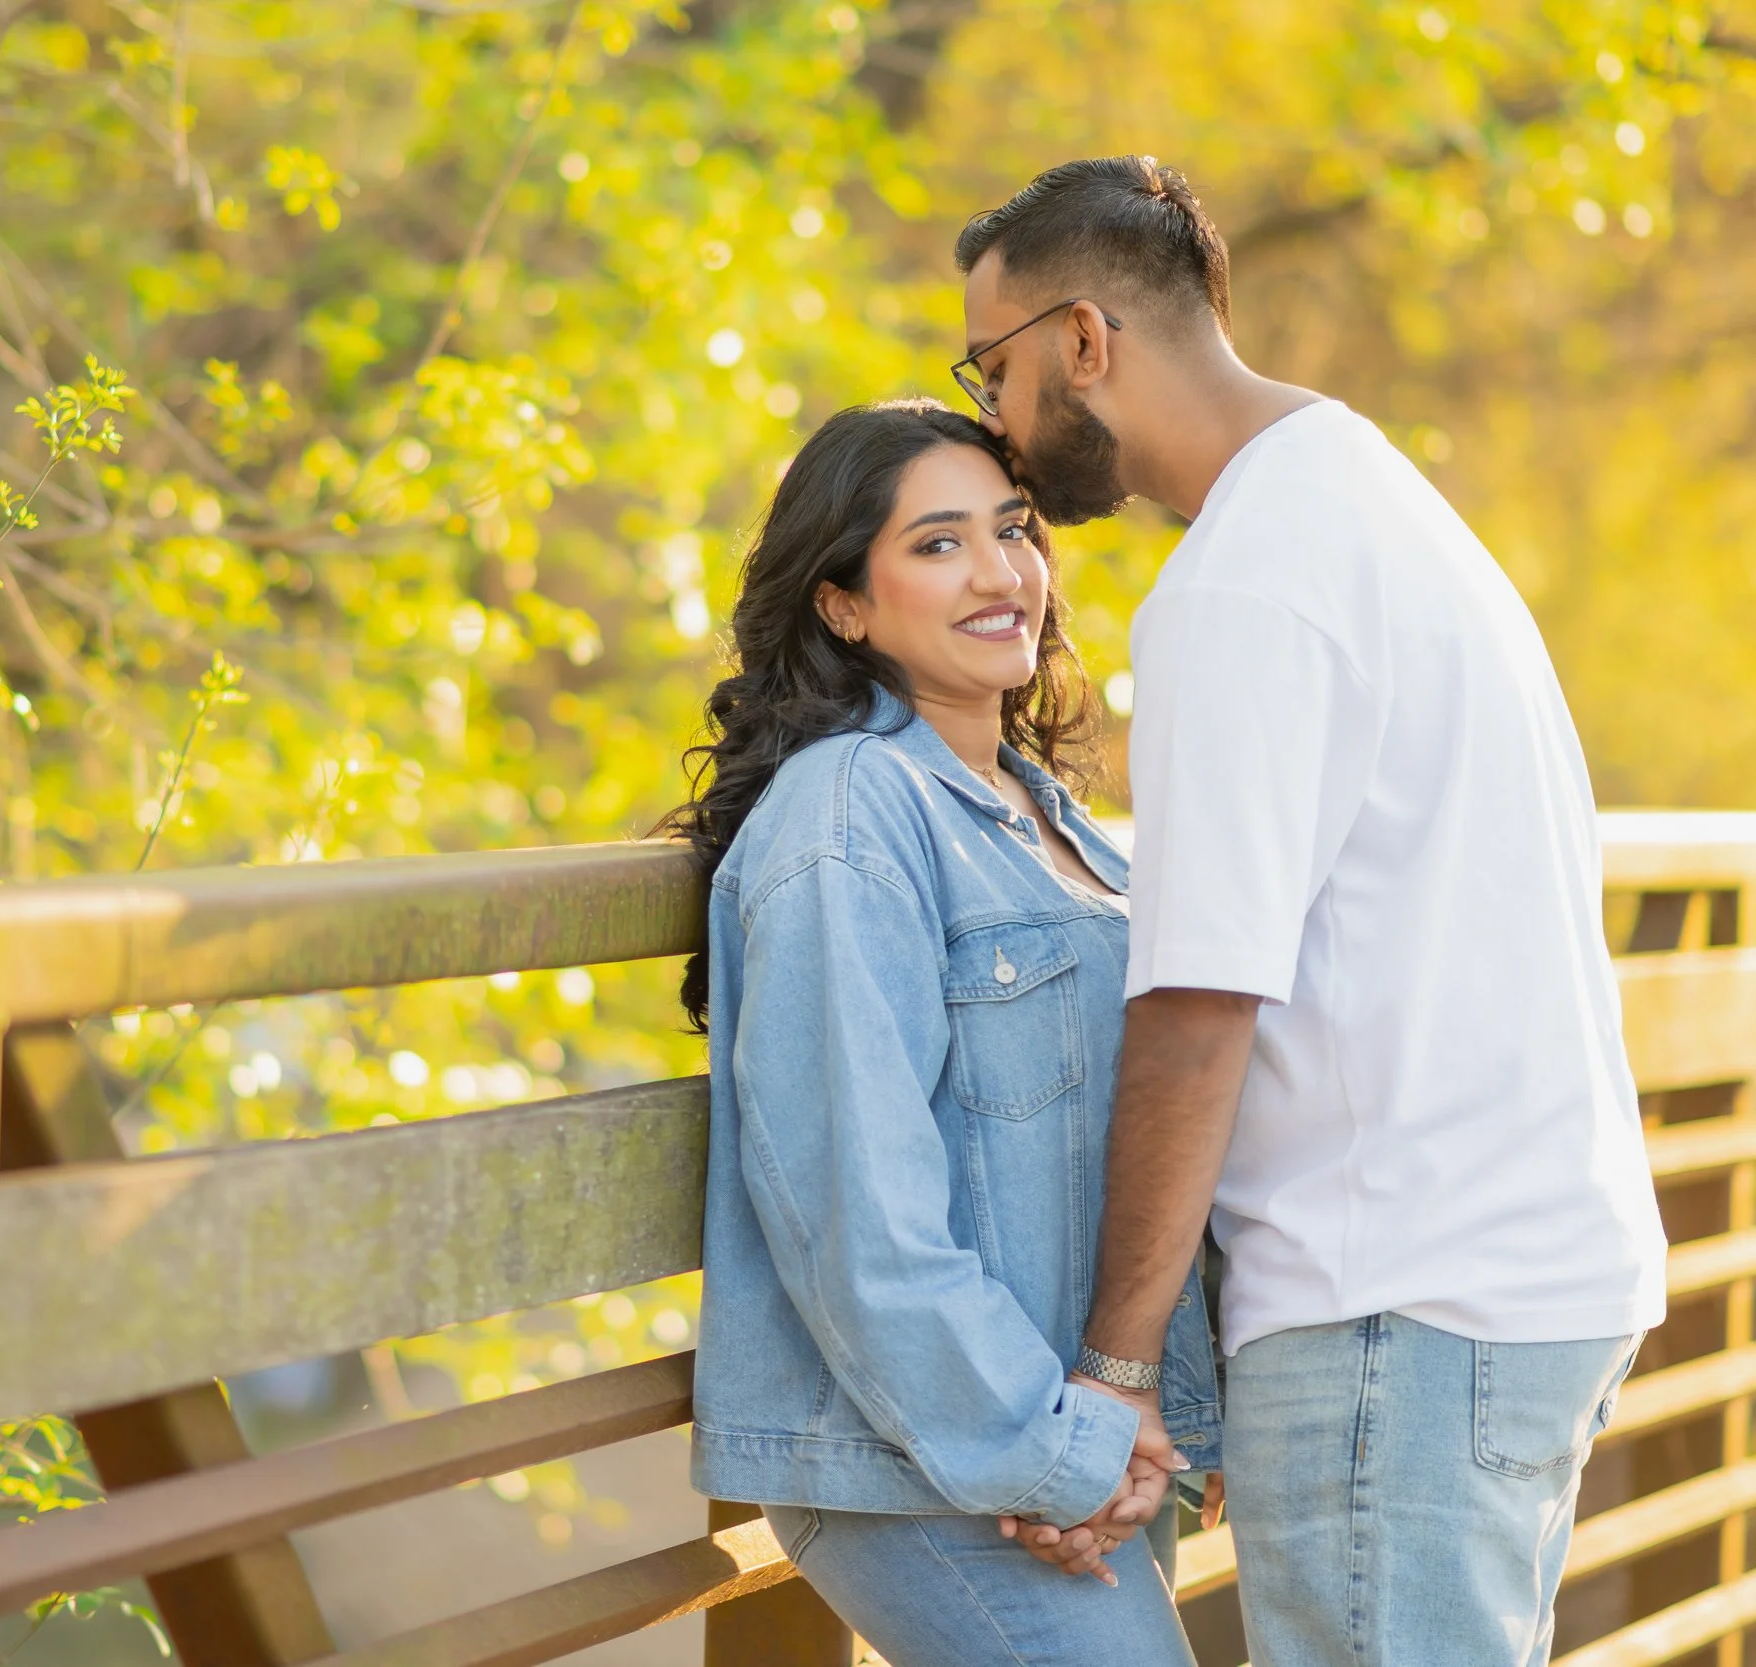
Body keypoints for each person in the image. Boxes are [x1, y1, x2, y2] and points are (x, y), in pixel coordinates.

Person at [951, 155, 1667, 1666]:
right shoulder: (1374, 498)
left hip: (1396, 1311)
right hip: (1519, 1279)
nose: (998, 423)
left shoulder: (1239, 588)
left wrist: (1115, 1364)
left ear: (1086, 342)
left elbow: (1201, 1000)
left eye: (994, 368)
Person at [670, 398, 1221, 1666]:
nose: (998, 572)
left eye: (1014, 530)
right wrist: (1058, 1446)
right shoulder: (850, 818)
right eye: (937, 543)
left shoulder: (1045, 817)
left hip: (1069, 1433)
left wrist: (1142, 1421)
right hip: (927, 1454)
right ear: (841, 603)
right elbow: (859, 1217)